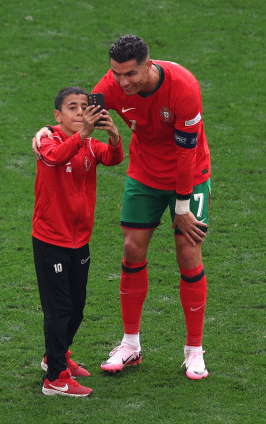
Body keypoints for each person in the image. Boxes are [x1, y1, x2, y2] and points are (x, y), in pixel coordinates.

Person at [33, 34, 211, 380]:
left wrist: (182, 206)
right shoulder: (109, 87)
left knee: (188, 253)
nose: (122, 82)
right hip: (144, 174)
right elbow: (79, 113)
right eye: (116, 74)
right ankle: (130, 344)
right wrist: (49, 131)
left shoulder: (184, 87)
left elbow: (187, 151)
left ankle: (194, 350)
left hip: (189, 173)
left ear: (148, 64)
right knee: (131, 250)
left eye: (130, 74)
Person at [32, 86, 123, 397]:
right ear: (58, 115)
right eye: (72, 107)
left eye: (85, 106)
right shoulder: (47, 140)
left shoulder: (89, 144)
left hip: (79, 240)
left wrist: (112, 135)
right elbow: (55, 158)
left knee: (77, 307)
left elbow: (113, 158)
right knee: (59, 310)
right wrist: (82, 135)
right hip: (51, 240)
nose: (80, 112)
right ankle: (55, 379)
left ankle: (55, 357)